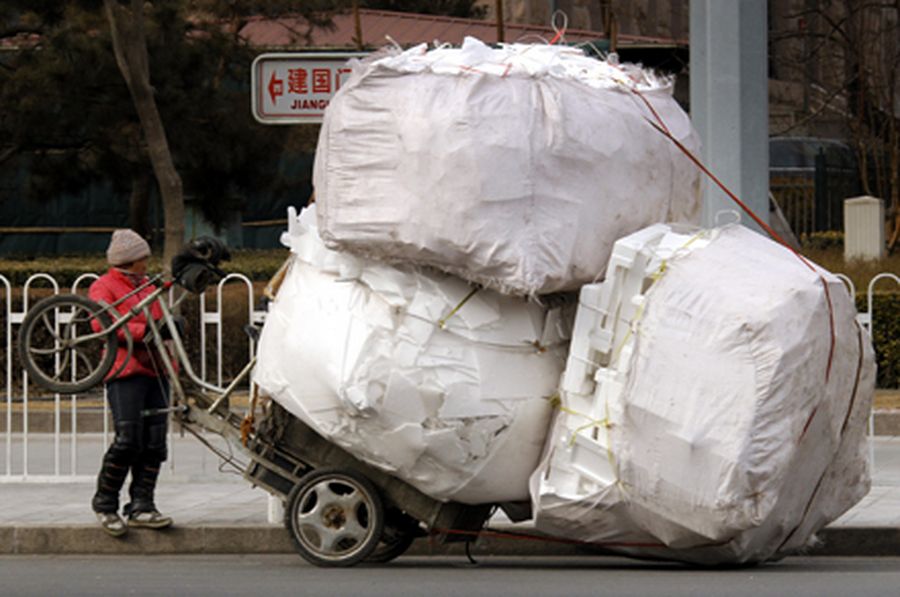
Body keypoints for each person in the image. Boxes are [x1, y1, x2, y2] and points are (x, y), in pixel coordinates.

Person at [88, 229, 174, 537]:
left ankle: (142, 505)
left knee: (155, 444)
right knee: (128, 440)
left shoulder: (148, 285)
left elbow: (160, 319)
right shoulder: (104, 286)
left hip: (158, 372)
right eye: (143, 258)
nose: (147, 262)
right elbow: (103, 323)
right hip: (125, 372)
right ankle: (105, 503)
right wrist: (144, 333)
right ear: (131, 260)